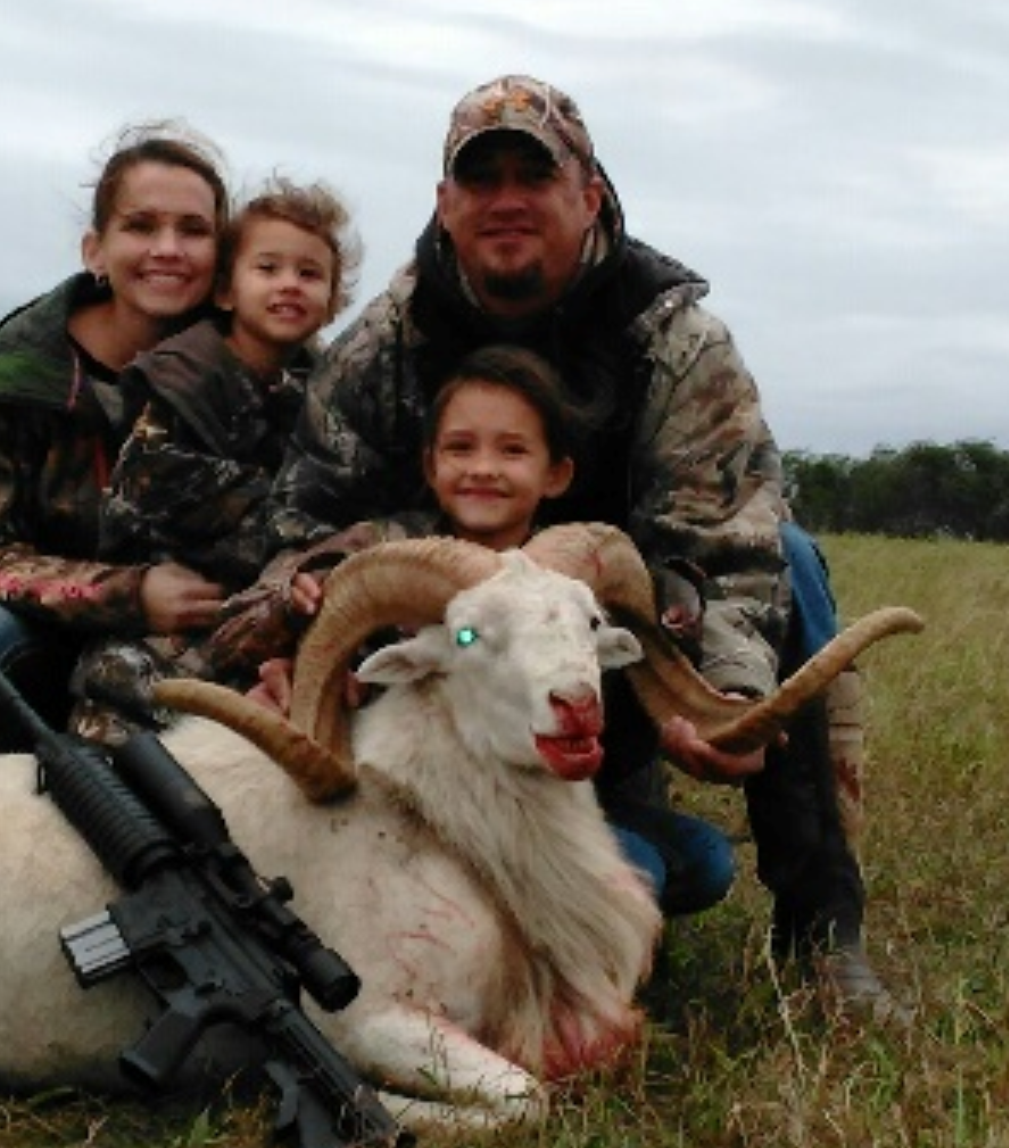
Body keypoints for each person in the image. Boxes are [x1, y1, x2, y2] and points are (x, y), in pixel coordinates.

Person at [258, 74, 905, 1021]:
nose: (507, 200)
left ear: (589, 193)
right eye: (482, 181)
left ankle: (820, 935)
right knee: (646, 868)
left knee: (793, 560)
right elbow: (302, 526)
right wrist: (316, 635)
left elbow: (730, 540)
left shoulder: (674, 339)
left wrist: (726, 693)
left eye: (537, 173)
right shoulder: (383, 345)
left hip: (621, 656)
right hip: (460, 676)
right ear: (446, 203)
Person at [218, 343, 736, 918]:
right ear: (430, 465)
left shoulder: (581, 571)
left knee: (704, 859)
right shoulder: (381, 553)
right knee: (637, 869)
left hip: (552, 790)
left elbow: (655, 659)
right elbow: (252, 622)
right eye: (460, 448)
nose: (483, 467)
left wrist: (694, 709)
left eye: (513, 450)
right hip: (424, 802)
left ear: (557, 472)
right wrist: (291, 618)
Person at [0, 121, 232, 759]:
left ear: (222, 254)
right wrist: (130, 596)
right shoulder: (11, 376)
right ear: (95, 250)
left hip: (200, 648)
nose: (169, 248)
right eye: (141, 226)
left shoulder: (266, 368)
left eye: (194, 230)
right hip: (46, 636)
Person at [69, 176, 361, 743]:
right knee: (117, 691)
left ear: (332, 303)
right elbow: (165, 489)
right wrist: (306, 549)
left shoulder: (322, 390)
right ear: (225, 290)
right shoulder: (180, 377)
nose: (289, 286)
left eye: (309, 274)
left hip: (259, 613)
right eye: (268, 269)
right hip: (166, 610)